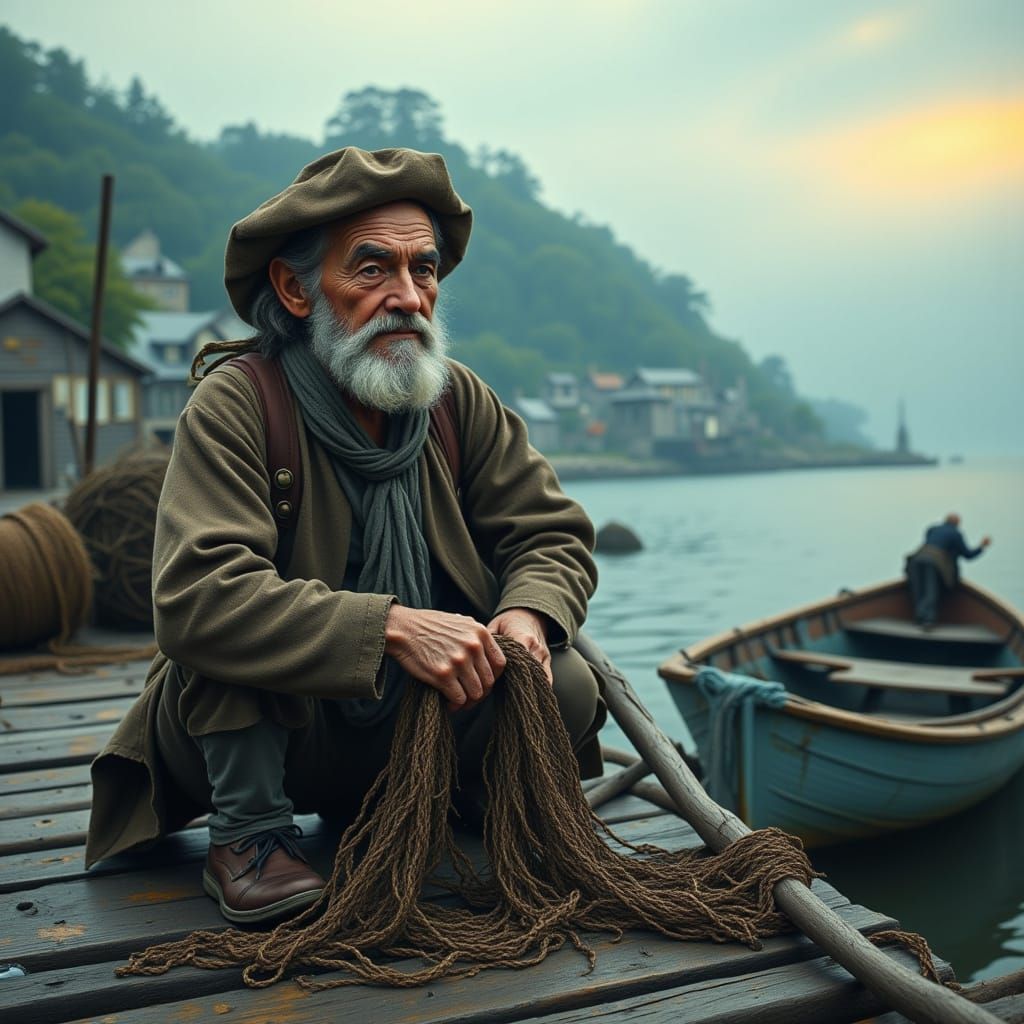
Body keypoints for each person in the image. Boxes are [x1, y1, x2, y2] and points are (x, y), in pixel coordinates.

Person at [84, 148, 605, 924]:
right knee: (230, 644)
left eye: (423, 271)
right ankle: (251, 841)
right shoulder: (239, 404)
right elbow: (198, 596)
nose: (408, 298)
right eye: (372, 271)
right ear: (297, 289)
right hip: (271, 735)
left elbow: (553, 535)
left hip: (416, 723)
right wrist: (391, 627)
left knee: (564, 681)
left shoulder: (459, 404)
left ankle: (462, 798)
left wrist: (526, 614)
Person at [904, 513, 992, 627]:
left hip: (917, 558)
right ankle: (927, 620)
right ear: (957, 523)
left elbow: (933, 543)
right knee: (931, 590)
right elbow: (967, 555)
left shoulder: (932, 528)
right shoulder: (956, 534)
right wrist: (982, 546)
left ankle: (919, 617)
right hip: (934, 562)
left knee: (919, 589)